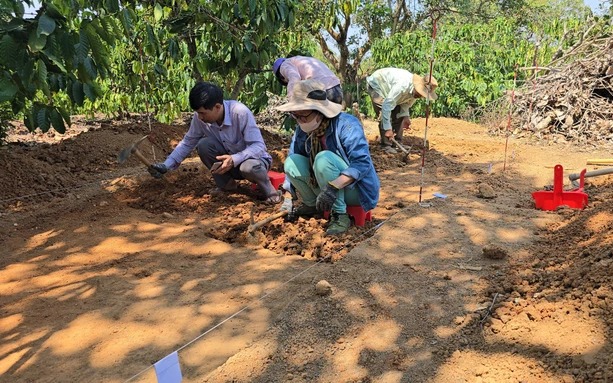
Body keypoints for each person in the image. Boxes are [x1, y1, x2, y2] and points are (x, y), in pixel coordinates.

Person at [148, 81, 282, 203]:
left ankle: (270, 192)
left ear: (217, 107)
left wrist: (234, 159)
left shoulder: (240, 113)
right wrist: (166, 165)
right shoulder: (200, 118)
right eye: (198, 113)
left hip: (255, 163)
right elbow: (188, 142)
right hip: (228, 165)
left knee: (248, 166)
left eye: (203, 113)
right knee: (204, 145)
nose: (200, 117)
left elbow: (258, 146)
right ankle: (227, 187)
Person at [276, 79, 380, 235]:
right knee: (291, 162)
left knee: (323, 159)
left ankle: (339, 214)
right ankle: (312, 205)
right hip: (325, 189)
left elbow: (361, 164)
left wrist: (333, 187)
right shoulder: (302, 131)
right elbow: (294, 158)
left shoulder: (347, 125)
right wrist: (288, 199)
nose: (300, 121)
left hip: (355, 190)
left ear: (319, 112)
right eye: (296, 116)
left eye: (304, 115)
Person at [366, 68, 438, 154]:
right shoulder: (402, 86)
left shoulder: (415, 93)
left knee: (399, 113)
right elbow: (386, 106)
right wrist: (388, 129)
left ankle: (397, 143)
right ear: (417, 86)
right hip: (377, 85)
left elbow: (405, 105)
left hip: (390, 91)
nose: (420, 96)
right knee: (383, 113)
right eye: (420, 93)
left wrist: (406, 117)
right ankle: (386, 146)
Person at [273, 56, 343, 105]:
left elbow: (294, 78)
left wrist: (292, 101)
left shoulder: (284, 65)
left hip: (323, 91)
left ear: (281, 77)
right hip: (337, 89)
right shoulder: (300, 59)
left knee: (312, 122)